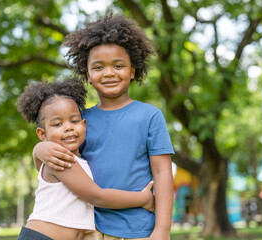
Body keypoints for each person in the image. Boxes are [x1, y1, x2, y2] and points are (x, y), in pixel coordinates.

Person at [33, 14, 175, 240]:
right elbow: (59, 167)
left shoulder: (150, 116)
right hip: (92, 228)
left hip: (140, 228)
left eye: (118, 66)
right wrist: (38, 150)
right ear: (87, 75)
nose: (109, 73)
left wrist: (162, 230)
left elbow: (163, 172)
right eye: (99, 67)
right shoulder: (80, 122)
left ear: (133, 71)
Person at [16, 79, 154, 240]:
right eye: (58, 124)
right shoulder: (62, 159)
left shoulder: (73, 161)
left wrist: (38, 150)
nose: (68, 127)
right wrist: (143, 198)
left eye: (74, 121)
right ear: (42, 134)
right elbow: (97, 196)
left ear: (84, 125)